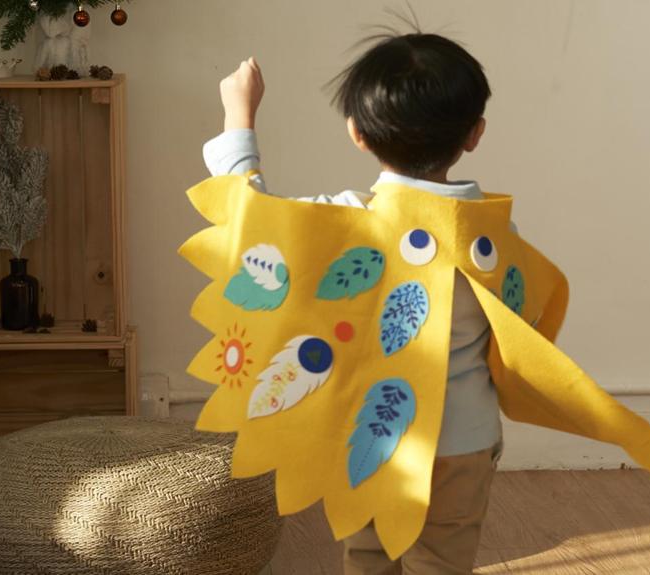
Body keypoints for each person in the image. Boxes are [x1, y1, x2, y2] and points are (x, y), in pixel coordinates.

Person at [204, 30, 502, 574]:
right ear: (474, 134)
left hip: (368, 432)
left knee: (367, 553)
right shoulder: (490, 238)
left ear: (357, 133)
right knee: (440, 560)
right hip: (464, 442)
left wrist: (238, 118)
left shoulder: (343, 222)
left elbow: (248, 226)